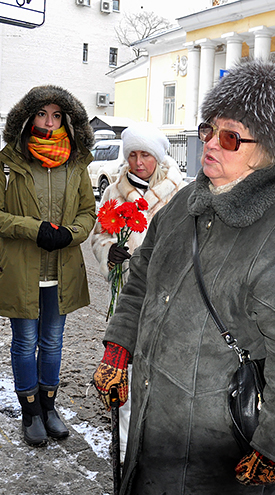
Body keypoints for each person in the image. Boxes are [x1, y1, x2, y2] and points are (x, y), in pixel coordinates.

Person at [91, 59, 275, 495]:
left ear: (270, 151)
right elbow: (142, 278)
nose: (211, 144)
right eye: (209, 129)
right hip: (153, 419)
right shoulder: (187, 200)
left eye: (231, 136)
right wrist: (117, 347)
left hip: (220, 445)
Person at [0, 85, 97, 447]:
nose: (49, 122)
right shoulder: (9, 161)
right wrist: (35, 230)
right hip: (21, 269)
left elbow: (87, 212)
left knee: (53, 342)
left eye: (57, 115)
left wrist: (71, 234)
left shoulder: (76, 162)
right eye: (43, 114)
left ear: (67, 120)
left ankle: (49, 407)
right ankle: (30, 412)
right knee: (25, 340)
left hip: (61, 270)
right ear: (30, 117)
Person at [89, 120, 186, 462]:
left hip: (170, 296)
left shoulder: (179, 192)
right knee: (125, 371)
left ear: (158, 157)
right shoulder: (114, 192)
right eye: (132, 155)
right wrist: (108, 253)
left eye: (145, 155)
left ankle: (161, 452)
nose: (138, 162)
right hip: (129, 293)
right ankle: (129, 454)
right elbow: (99, 234)